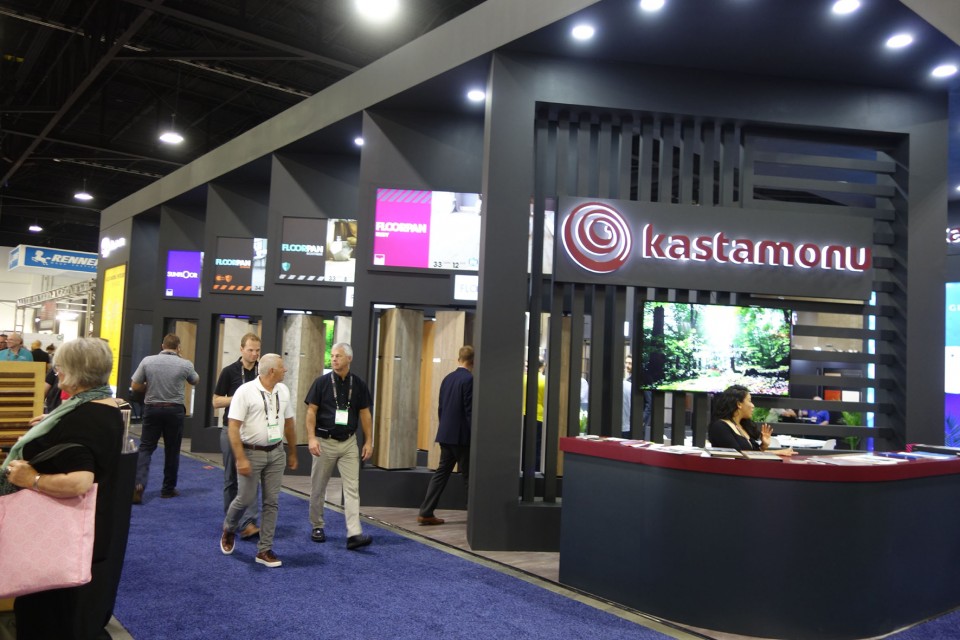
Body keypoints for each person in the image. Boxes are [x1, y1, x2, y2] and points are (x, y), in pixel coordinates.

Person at [0, 338, 124, 638]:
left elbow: (80, 480)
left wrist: (32, 479)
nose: (57, 374)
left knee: (47, 616)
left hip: (54, 538)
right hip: (80, 530)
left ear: (75, 373)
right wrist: (54, 421)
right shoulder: (105, 406)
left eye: (60, 368)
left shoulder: (82, 418)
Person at [219, 353, 298, 568]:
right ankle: (229, 528)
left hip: (276, 453)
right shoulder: (245, 392)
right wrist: (241, 458)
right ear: (272, 371)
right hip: (251, 453)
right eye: (282, 367)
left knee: (272, 502)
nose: (285, 370)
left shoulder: (283, 391)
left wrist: (292, 452)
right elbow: (233, 427)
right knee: (245, 498)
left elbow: (289, 423)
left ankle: (264, 549)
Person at [304, 342, 374, 550]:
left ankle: (354, 533)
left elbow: (365, 414)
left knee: (352, 488)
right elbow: (311, 411)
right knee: (318, 487)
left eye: (338, 356)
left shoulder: (358, 384)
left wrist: (369, 441)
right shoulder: (321, 383)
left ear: (349, 359)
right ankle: (317, 525)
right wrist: (311, 438)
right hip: (324, 442)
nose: (334, 359)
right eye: (333, 356)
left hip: (349, 443)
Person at [131, 334, 199, 503]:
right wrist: (181, 360)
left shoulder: (147, 361)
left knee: (146, 448)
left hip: (152, 409)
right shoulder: (185, 364)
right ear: (178, 347)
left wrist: (149, 386)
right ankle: (168, 489)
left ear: (162, 346)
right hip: (174, 410)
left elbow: (135, 385)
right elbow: (195, 380)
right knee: (172, 449)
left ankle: (138, 484)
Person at [212, 332, 262, 539]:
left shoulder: (262, 372)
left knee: (251, 477)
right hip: (231, 430)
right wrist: (239, 397)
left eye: (257, 350)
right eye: (250, 350)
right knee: (231, 479)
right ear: (241, 349)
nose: (254, 354)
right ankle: (231, 521)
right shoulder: (229, 371)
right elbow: (216, 401)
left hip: (254, 433)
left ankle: (249, 523)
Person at [417, 345, 474, 526]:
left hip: (446, 434)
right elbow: (469, 411)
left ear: (459, 359)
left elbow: (441, 407)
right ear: (472, 361)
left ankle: (426, 512)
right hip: (462, 437)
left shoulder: (447, 378)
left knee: (441, 474)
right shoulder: (469, 380)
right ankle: (474, 517)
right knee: (469, 476)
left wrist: (444, 428)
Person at [708, 385, 795, 456]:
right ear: (739, 404)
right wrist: (776, 452)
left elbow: (753, 453)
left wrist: (763, 445)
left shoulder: (743, 425)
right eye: (749, 401)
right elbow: (739, 455)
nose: (753, 405)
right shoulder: (720, 426)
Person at [521, 358, 546, 472]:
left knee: (523, 444)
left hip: (522, 415)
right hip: (538, 416)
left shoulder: (522, 379)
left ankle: (522, 469)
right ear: (542, 366)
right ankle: (534, 470)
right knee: (536, 446)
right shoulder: (544, 381)